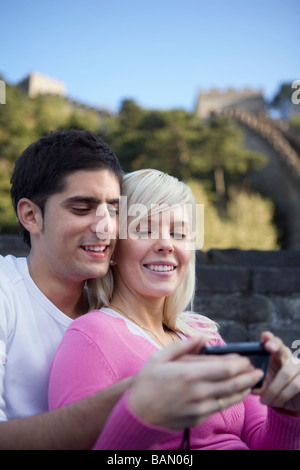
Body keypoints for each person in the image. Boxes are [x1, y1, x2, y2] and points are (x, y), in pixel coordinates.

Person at [0, 130, 263, 450]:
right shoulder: (12, 296)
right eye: (82, 208)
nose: (104, 227)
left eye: (113, 210)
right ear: (31, 215)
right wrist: (137, 396)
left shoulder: (177, 326)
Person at [48, 168, 300, 450]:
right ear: (112, 247)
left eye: (179, 233)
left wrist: (288, 410)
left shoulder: (203, 334)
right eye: (144, 229)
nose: (166, 244)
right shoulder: (90, 336)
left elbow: (263, 439)